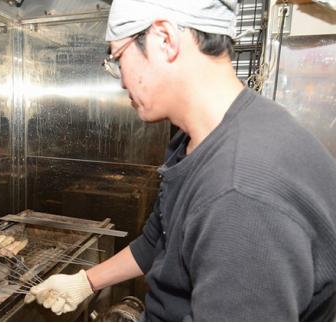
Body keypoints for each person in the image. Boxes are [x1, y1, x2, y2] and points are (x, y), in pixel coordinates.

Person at [24, 0, 336, 320]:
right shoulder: (194, 140)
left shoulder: (239, 192)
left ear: (164, 39)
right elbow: (157, 241)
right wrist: (84, 282)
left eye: (118, 58)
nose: (120, 80)